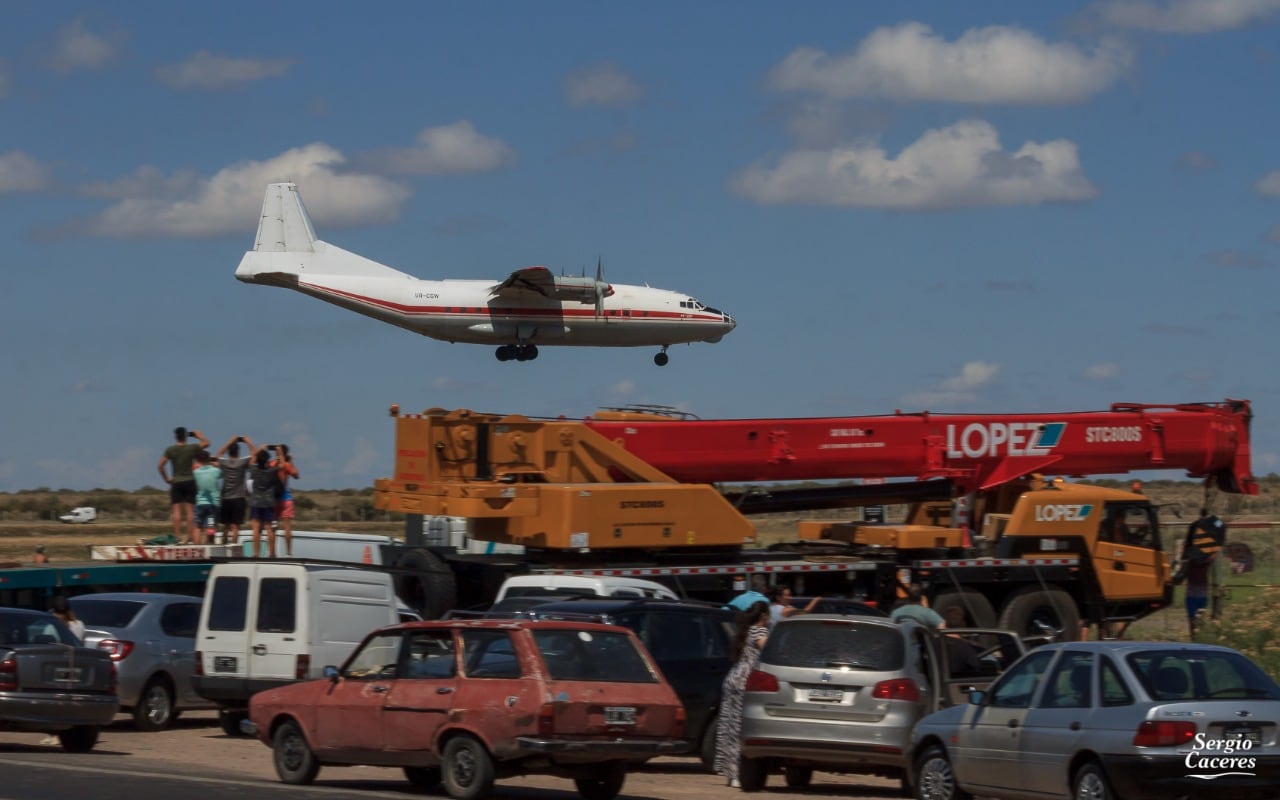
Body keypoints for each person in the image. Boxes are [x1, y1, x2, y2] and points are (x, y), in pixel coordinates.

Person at [714, 600, 770, 788]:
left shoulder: (746, 630)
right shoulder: (760, 631)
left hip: (733, 678)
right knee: (740, 729)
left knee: (729, 728)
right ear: (764, 616)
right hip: (746, 681)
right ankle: (737, 773)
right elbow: (767, 651)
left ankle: (730, 773)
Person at [157, 426, 209, 542]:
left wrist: (166, 479)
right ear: (186, 436)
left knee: (176, 511)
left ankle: (177, 536)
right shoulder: (192, 448)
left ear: (175, 436)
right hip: (190, 480)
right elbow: (206, 443)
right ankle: (190, 536)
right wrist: (198, 435)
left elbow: (160, 465)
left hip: (176, 481)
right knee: (190, 511)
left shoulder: (170, 450)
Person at [1183, 510, 1225, 638]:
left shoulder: (1192, 556)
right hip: (1200, 590)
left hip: (1194, 590)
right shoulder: (1205, 557)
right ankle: (1196, 637)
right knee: (1198, 616)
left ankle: (1194, 637)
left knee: (1193, 617)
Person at [215, 435, 255, 546]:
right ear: (238, 452)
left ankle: (223, 544)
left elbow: (218, 455)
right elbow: (254, 455)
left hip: (226, 498)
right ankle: (233, 547)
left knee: (226, 525)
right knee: (235, 526)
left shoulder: (224, 463)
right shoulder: (242, 463)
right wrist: (248, 441)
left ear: (229, 452)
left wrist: (229, 441)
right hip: (238, 498)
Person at [246, 448, 280, 558]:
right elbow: (283, 465)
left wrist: (259, 448)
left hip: (255, 502)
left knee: (256, 529)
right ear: (267, 461)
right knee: (269, 528)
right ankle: (272, 553)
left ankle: (256, 553)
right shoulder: (271, 471)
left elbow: (251, 460)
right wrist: (279, 452)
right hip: (268, 502)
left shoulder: (254, 470)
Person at [271, 444, 300, 557]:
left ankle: (272, 552)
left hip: (274, 499)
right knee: (287, 527)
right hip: (286, 498)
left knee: (273, 527)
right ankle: (288, 552)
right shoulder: (287, 465)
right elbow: (296, 475)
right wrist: (290, 461)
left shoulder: (272, 464)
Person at [192, 450, 222, 546]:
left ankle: (196, 546)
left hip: (200, 503)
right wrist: (216, 464)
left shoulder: (195, 472)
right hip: (213, 504)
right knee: (210, 526)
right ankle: (209, 545)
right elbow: (221, 473)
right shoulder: (215, 471)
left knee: (198, 526)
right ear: (208, 459)